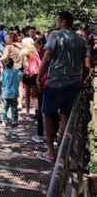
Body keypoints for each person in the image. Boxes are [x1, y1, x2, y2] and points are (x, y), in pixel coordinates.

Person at [37, 11, 89, 162]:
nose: (56, 23)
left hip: (55, 84)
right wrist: (81, 80)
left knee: (47, 113)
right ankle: (63, 153)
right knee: (66, 115)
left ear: (64, 22)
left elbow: (46, 60)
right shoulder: (81, 40)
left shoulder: (55, 36)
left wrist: (39, 78)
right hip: (73, 86)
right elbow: (86, 67)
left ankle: (50, 152)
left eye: (57, 21)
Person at [0, 31, 23, 108]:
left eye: (6, 37)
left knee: (10, 85)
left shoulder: (8, 46)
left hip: (11, 68)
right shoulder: (21, 45)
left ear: (10, 38)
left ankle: (11, 102)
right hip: (20, 67)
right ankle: (19, 103)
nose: (5, 39)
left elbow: (4, 57)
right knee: (20, 85)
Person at [0, 58, 23, 127]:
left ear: (5, 65)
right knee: (14, 108)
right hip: (14, 93)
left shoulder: (4, 72)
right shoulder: (17, 71)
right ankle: (14, 121)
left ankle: (4, 121)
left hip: (5, 93)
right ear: (13, 64)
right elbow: (22, 75)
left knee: (4, 108)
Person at [21, 37, 39, 115]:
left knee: (27, 94)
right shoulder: (35, 51)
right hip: (36, 73)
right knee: (35, 94)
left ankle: (27, 112)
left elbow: (25, 64)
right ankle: (37, 109)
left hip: (28, 74)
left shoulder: (25, 52)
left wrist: (26, 70)